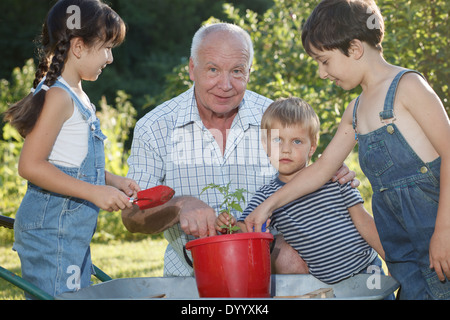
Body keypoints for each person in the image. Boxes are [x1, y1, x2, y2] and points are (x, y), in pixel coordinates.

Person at [244, 0, 450, 300]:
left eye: (324, 61)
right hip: (401, 250)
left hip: (437, 232)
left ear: (354, 49)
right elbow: (322, 169)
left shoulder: (408, 87)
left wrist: (444, 231)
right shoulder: (354, 111)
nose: (321, 73)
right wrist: (268, 205)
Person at [122, 22, 357, 277]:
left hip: (278, 276)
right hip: (191, 281)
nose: (225, 85)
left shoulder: (276, 119)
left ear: (249, 72)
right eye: (213, 70)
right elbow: (132, 216)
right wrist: (179, 205)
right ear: (192, 68)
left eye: (236, 71)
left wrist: (333, 174)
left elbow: (310, 173)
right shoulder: (155, 127)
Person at [3, 0, 140, 297]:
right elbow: (31, 165)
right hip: (52, 235)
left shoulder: (77, 95)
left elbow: (71, 163)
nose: (111, 58)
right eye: (106, 47)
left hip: (69, 234)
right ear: (78, 47)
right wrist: (95, 192)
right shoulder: (58, 97)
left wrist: (112, 181)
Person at [215, 97, 386, 284]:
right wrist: (228, 225)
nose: (286, 149)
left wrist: (392, 261)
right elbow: (248, 228)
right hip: (328, 285)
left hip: (367, 269)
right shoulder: (266, 196)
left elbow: (363, 220)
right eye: (277, 140)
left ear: (312, 147)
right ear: (265, 146)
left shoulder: (333, 177)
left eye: (296, 141)